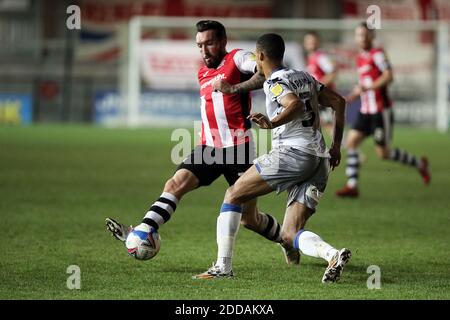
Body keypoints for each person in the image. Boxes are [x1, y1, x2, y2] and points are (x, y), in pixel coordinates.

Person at [105, 20, 299, 264]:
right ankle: (142, 231)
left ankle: (286, 241)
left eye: (209, 43)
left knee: (250, 219)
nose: (204, 50)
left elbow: (264, 74)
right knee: (175, 183)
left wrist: (233, 88)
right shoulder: (202, 73)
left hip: (238, 149)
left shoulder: (238, 58)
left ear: (222, 42)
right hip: (208, 147)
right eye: (199, 45)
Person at [194, 33, 351, 283]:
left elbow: (294, 105)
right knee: (289, 234)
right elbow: (339, 101)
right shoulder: (304, 76)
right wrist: (336, 146)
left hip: (293, 154)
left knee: (233, 194)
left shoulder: (275, 81)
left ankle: (223, 267)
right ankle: (332, 255)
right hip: (320, 161)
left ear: (261, 56)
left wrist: (271, 122)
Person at [336, 22, 431, 198]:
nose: (362, 38)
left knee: (384, 153)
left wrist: (369, 87)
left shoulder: (377, 54)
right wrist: (352, 96)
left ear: (372, 36)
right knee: (351, 142)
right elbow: (364, 84)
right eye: (359, 35)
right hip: (365, 111)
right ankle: (352, 186)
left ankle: (420, 164)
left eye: (365, 35)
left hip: (381, 111)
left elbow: (389, 76)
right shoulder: (360, 57)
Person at [303, 31, 337, 136]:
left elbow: (333, 73)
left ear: (318, 42)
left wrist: (317, 86)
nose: (311, 43)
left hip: (325, 97)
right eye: (308, 41)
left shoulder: (320, 57)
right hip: (317, 97)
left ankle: (350, 149)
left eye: (313, 41)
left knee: (330, 126)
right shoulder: (310, 58)